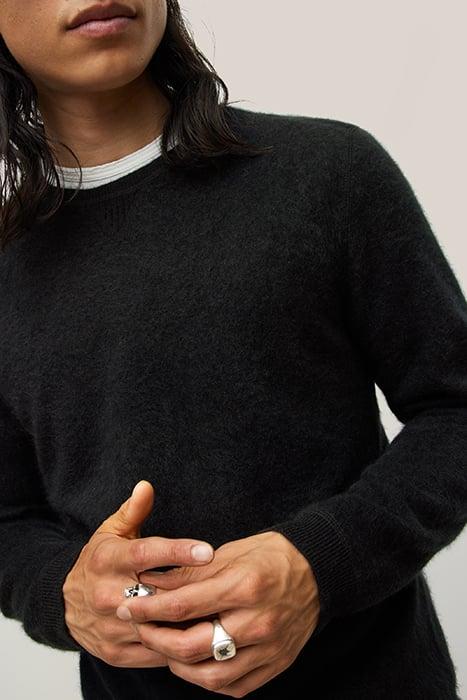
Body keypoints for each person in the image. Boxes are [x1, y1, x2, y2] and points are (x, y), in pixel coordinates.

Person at [0, 2, 465, 699]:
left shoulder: (327, 173)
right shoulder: (8, 268)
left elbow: (455, 409)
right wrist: (62, 594)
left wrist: (318, 564)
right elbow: (7, 520)